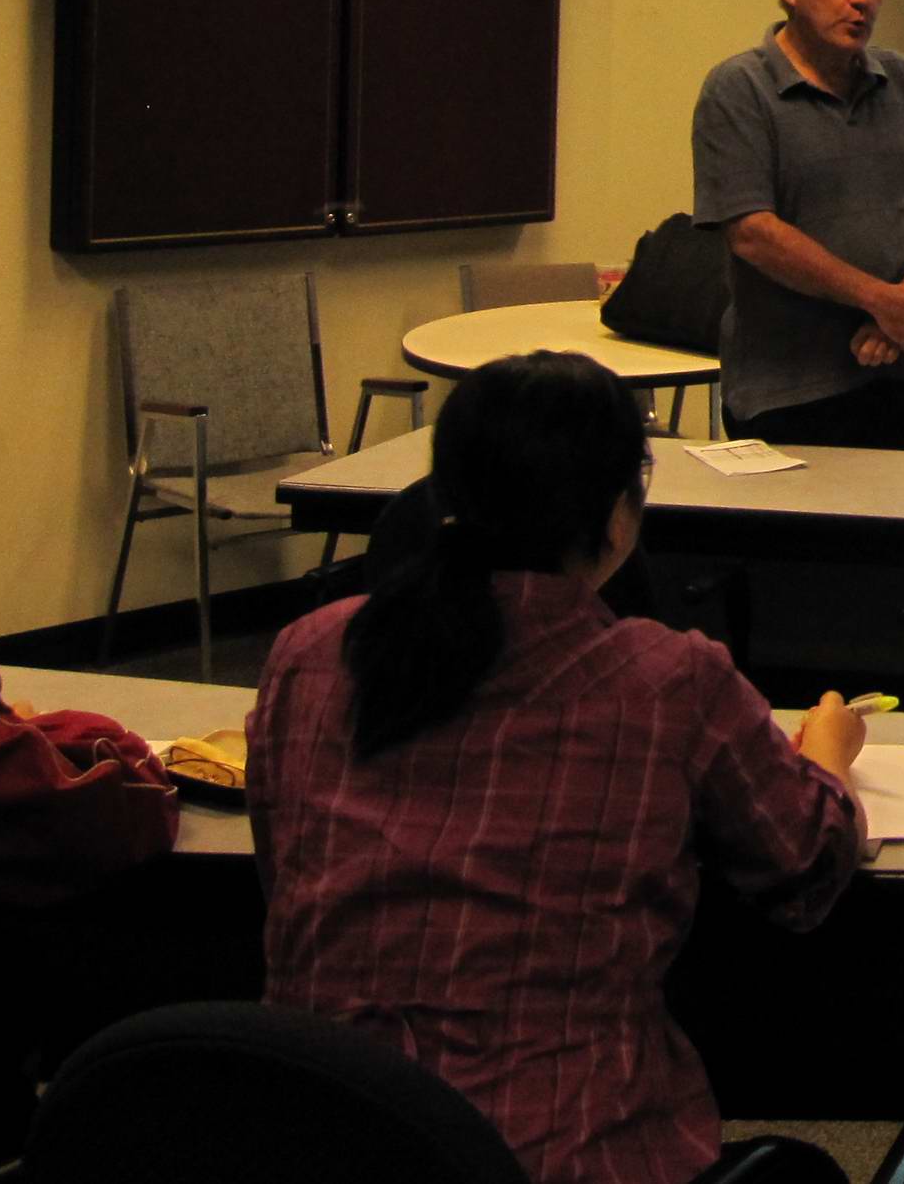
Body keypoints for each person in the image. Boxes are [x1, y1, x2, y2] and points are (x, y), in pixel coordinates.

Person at [247, 353, 868, 1184]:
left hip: (320, 1144)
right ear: (618, 516)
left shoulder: (309, 653)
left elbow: (280, 865)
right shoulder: (667, 680)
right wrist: (828, 752)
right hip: (566, 1153)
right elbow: (805, 869)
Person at [693, 0, 904, 452]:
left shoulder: (901, 79)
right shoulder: (739, 88)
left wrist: (900, 308)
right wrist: (880, 300)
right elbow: (753, 232)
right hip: (791, 393)